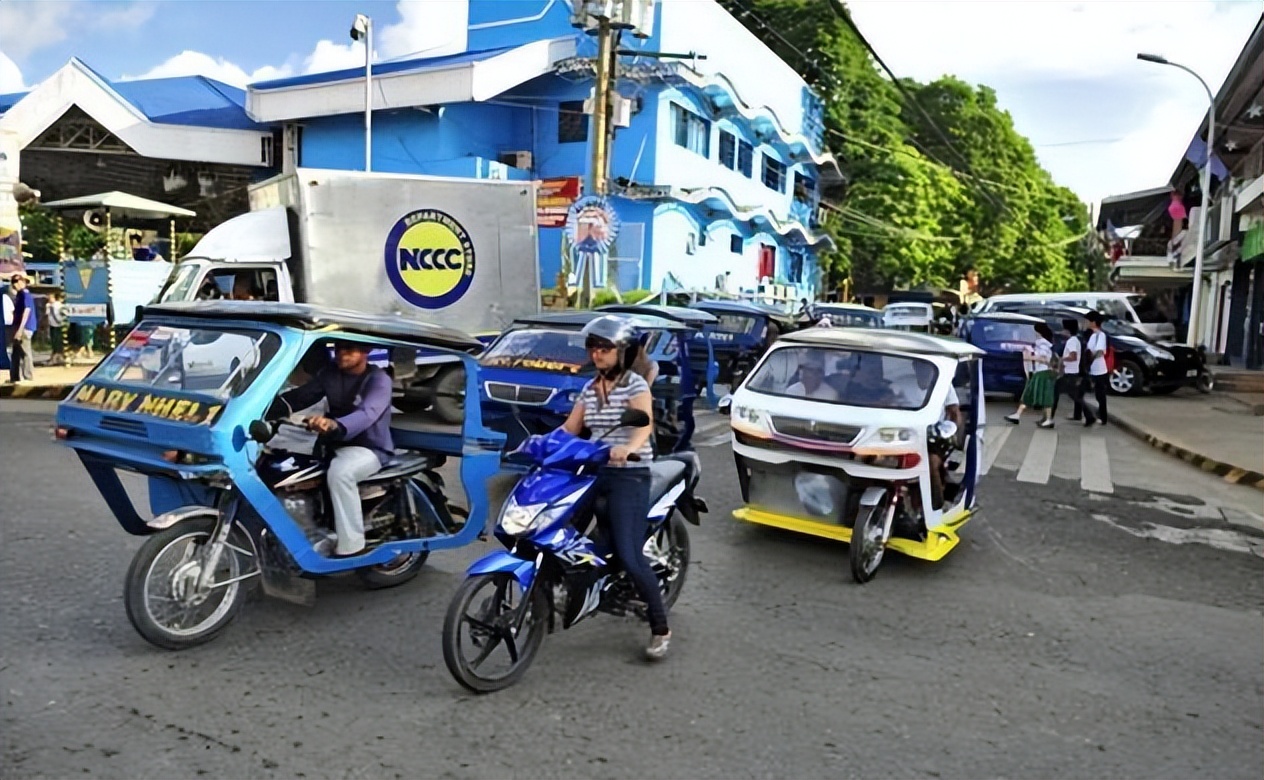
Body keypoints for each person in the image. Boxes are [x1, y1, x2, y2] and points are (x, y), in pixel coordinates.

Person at [560, 315, 671, 660]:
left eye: (605, 348)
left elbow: (643, 426)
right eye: (593, 347)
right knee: (561, 533)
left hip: (630, 474)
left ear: (622, 352)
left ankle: (660, 628)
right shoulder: (589, 389)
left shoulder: (635, 386)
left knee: (628, 554)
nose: (597, 354)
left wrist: (629, 448)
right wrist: (539, 445)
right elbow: (569, 429)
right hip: (595, 472)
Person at [269, 341, 393, 557]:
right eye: (338, 349)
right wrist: (260, 408)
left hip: (369, 448)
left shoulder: (379, 380)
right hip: (332, 445)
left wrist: (335, 425)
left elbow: (367, 413)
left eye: (349, 349)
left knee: (341, 473)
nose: (341, 354)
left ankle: (352, 546)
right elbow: (301, 397)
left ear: (366, 352)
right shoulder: (330, 374)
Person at [901, 360, 962, 510]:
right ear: (915, 367)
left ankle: (935, 506)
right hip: (903, 435)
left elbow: (954, 412)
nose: (923, 371)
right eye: (920, 367)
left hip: (933, 437)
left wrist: (951, 429)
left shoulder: (944, 385)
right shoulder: (901, 384)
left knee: (930, 462)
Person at [1004, 322, 1057, 428]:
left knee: (1040, 395)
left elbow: (1044, 358)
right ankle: (1021, 415)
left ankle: (1047, 419)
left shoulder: (1042, 344)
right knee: (1035, 394)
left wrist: (1029, 357)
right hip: (1041, 372)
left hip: (1042, 372)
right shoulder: (1043, 343)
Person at [1050, 319, 1085, 422]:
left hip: (1070, 372)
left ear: (1067, 330)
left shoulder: (1072, 341)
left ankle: (1049, 417)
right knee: (1073, 395)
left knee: (1057, 392)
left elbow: (1073, 356)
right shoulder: (1074, 340)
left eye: (1064, 329)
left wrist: (1061, 359)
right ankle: (1088, 415)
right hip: (1071, 371)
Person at [1082, 311, 1110, 427]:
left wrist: (1090, 360)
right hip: (1092, 369)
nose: (1086, 323)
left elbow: (1099, 352)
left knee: (1100, 394)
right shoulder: (1093, 335)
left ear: (1093, 322)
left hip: (1099, 369)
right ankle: (1090, 415)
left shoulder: (1101, 335)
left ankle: (1103, 417)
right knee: (1083, 391)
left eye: (1088, 321)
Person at [9, 274, 36, 382]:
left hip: (25, 327)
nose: (15, 284)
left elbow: (26, 311)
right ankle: (14, 377)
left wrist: (20, 329)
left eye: (17, 282)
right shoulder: (19, 295)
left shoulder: (25, 295)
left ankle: (28, 376)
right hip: (18, 327)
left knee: (25, 352)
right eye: (13, 282)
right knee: (15, 353)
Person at [46, 292, 66, 366]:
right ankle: (55, 357)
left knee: (58, 342)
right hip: (52, 326)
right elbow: (47, 316)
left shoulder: (58, 305)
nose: (49, 299)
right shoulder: (48, 306)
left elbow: (63, 314)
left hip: (58, 325)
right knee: (54, 342)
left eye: (51, 297)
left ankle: (58, 357)